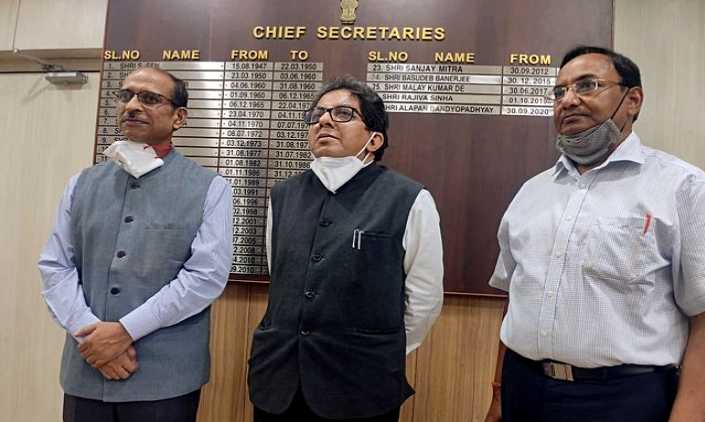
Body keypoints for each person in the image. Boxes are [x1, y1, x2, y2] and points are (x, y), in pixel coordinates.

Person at [484, 45, 705, 422]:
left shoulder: (683, 187)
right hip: (523, 388)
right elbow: (515, 298)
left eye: (587, 85)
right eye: (559, 92)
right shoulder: (532, 192)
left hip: (623, 399)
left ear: (633, 100)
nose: (568, 100)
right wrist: (499, 395)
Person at [38, 67, 233, 422]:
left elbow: (205, 277)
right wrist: (91, 338)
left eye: (149, 98)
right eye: (125, 95)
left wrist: (125, 332)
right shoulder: (82, 183)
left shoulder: (210, 187)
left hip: (164, 380)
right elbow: (56, 266)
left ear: (179, 117)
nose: (131, 105)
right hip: (87, 369)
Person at [249, 76, 444, 421]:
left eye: (342, 113)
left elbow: (424, 299)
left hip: (361, 387)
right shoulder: (282, 196)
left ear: (374, 139)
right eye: (319, 113)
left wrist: (377, 351)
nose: (324, 120)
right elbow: (280, 277)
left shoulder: (409, 199)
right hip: (278, 382)